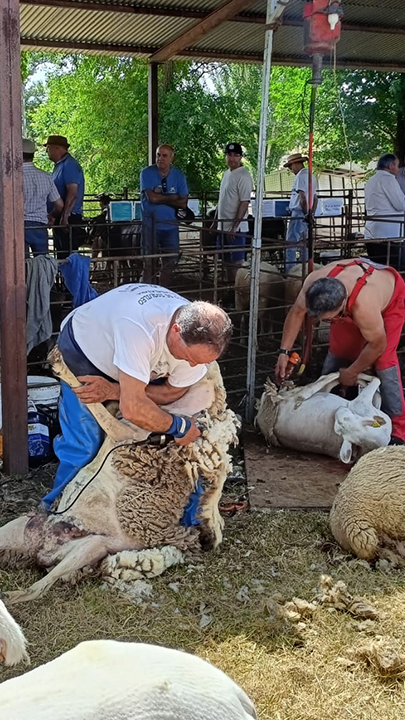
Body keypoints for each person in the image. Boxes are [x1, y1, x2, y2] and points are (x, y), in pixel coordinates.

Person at [43, 284, 233, 517]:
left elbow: (170, 393)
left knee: (164, 445)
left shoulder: (194, 342)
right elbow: (133, 408)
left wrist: (115, 391)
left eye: (201, 362)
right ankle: (56, 510)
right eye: (190, 358)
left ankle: (186, 518)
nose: (193, 366)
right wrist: (179, 426)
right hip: (86, 355)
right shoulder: (140, 326)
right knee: (87, 445)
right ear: (175, 330)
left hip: (143, 364)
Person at [276, 257, 405, 445]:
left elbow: (378, 344)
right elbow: (297, 313)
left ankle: (398, 427)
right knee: (340, 350)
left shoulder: (364, 305)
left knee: (384, 360)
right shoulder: (312, 285)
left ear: (342, 306)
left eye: (330, 318)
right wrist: (284, 351)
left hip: (389, 295)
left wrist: (353, 371)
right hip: (351, 289)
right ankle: (329, 408)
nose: (324, 322)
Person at [0, 138, 62, 257]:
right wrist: (52, 216)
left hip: (16, 227)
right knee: (42, 263)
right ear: (33, 155)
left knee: (20, 265)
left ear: (16, 154)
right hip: (39, 227)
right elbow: (59, 205)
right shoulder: (46, 177)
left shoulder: (11, 178)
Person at [140, 144, 189, 286]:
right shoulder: (146, 173)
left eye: (164, 155)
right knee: (149, 262)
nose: (160, 158)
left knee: (170, 262)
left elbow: (183, 202)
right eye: (158, 155)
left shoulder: (179, 176)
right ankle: (147, 292)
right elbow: (152, 198)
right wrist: (173, 197)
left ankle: (163, 291)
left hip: (171, 225)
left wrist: (161, 196)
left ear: (171, 158)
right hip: (150, 225)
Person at [363, 154, 405, 270]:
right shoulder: (389, 179)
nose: (398, 169)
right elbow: (401, 205)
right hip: (388, 234)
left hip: (372, 232)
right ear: (391, 166)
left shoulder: (372, 180)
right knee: (392, 269)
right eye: (396, 165)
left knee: (376, 268)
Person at [214, 142, 253, 285]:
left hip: (235, 228)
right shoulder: (226, 174)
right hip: (223, 226)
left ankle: (238, 290)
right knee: (225, 260)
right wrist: (215, 222)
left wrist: (235, 226)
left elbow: (244, 201)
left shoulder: (244, 175)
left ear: (240, 157)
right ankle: (230, 287)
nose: (232, 158)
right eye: (229, 155)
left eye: (236, 155)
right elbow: (222, 199)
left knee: (237, 261)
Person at [45, 135, 85, 260]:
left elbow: (72, 193)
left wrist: (65, 216)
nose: (47, 151)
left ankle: (70, 279)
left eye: (48, 147)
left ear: (57, 148)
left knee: (68, 255)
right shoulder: (60, 165)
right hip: (61, 217)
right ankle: (65, 278)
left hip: (69, 218)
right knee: (61, 253)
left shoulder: (70, 165)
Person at [282, 153, 315, 275]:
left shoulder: (301, 176)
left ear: (296, 164)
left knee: (291, 242)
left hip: (299, 212)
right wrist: (311, 214)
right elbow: (315, 198)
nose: (291, 170)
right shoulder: (312, 176)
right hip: (308, 212)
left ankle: (290, 272)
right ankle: (305, 270)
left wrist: (306, 213)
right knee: (304, 243)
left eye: (291, 167)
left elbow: (302, 198)